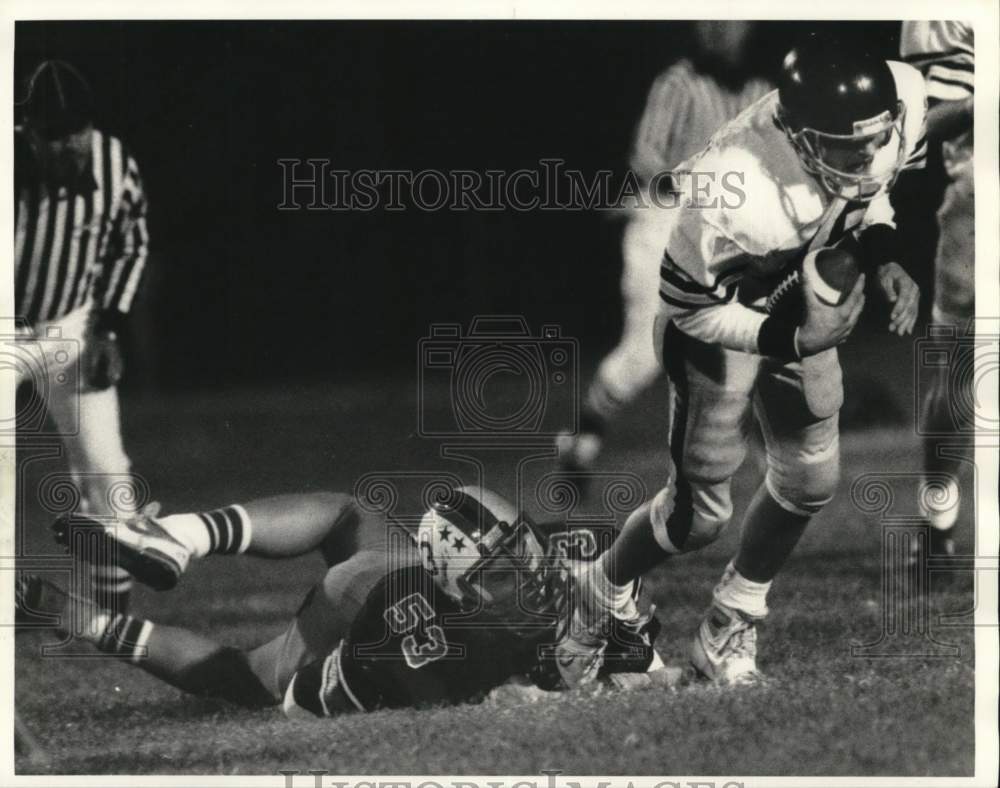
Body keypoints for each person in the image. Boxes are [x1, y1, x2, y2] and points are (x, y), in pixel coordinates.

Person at [555, 35, 927, 686]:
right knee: (698, 517)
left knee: (809, 480)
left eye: (878, 138)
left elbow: (874, 187)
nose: (869, 155)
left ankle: (730, 623)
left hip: (795, 288)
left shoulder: (899, 101)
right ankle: (599, 588)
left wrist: (886, 252)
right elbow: (690, 309)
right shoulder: (736, 187)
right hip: (717, 310)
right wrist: (794, 340)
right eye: (849, 147)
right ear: (800, 138)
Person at [18, 486, 664, 716]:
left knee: (349, 513)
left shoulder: (564, 552)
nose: (527, 572)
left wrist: (635, 645)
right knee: (252, 680)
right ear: (456, 588)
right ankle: (75, 614)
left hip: (398, 569)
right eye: (498, 573)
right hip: (367, 596)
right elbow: (493, 696)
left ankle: (179, 536)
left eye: (521, 548)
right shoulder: (426, 635)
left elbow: (623, 583)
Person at [556, 22, 773, 478]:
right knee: (644, 352)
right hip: (664, 222)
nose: (722, 29)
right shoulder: (678, 84)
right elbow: (647, 159)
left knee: (741, 344)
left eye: (732, 19)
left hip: (720, 231)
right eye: (713, 20)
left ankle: (764, 465)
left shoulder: (760, 91)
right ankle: (580, 442)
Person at [12, 60, 150, 613]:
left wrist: (108, 326)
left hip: (70, 323)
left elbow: (130, 243)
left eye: (77, 131)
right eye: (54, 134)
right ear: (28, 132)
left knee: (107, 473)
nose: (69, 146)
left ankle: (114, 623)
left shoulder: (116, 163)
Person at [900, 21, 975, 558]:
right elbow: (922, 120)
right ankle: (938, 516)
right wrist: (982, 103)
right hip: (983, 194)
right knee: (962, 374)